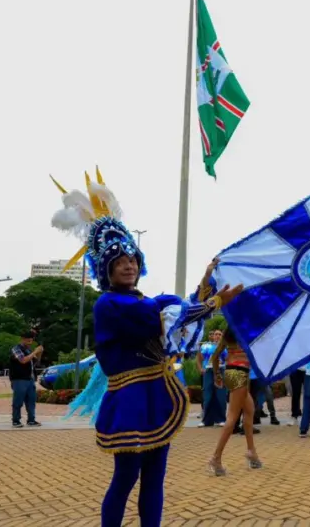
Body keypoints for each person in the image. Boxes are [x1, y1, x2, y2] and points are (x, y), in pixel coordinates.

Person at [53, 173, 242, 527]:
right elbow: (159, 320)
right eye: (120, 261)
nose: (129, 265)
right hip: (130, 400)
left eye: (133, 260)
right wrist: (213, 302)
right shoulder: (109, 304)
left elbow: (177, 313)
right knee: (125, 478)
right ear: (106, 269)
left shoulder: (148, 301)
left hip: (156, 395)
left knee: (155, 478)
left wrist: (205, 285)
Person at [209, 328, 263, 475]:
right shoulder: (246, 329)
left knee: (249, 409)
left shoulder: (230, 331)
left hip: (231, 371)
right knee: (232, 417)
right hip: (240, 373)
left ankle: (252, 452)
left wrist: (217, 375)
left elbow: (215, 356)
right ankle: (216, 458)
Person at [10, 330, 43, 428]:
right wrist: (35, 351)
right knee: (18, 400)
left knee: (31, 401)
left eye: (31, 339)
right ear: (22, 339)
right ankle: (16, 420)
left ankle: (31, 420)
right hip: (19, 379)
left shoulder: (29, 350)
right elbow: (23, 360)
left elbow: (36, 361)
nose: (30, 341)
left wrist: (40, 352)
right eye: (28, 339)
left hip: (30, 379)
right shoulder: (16, 349)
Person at [197, 329, 227, 427]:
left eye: (219, 334)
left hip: (221, 370)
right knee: (208, 395)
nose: (217, 336)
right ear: (213, 336)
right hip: (208, 371)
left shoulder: (225, 346)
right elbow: (199, 358)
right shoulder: (206, 346)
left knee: (221, 396)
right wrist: (200, 368)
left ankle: (221, 419)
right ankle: (207, 421)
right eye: (216, 334)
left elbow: (228, 359)